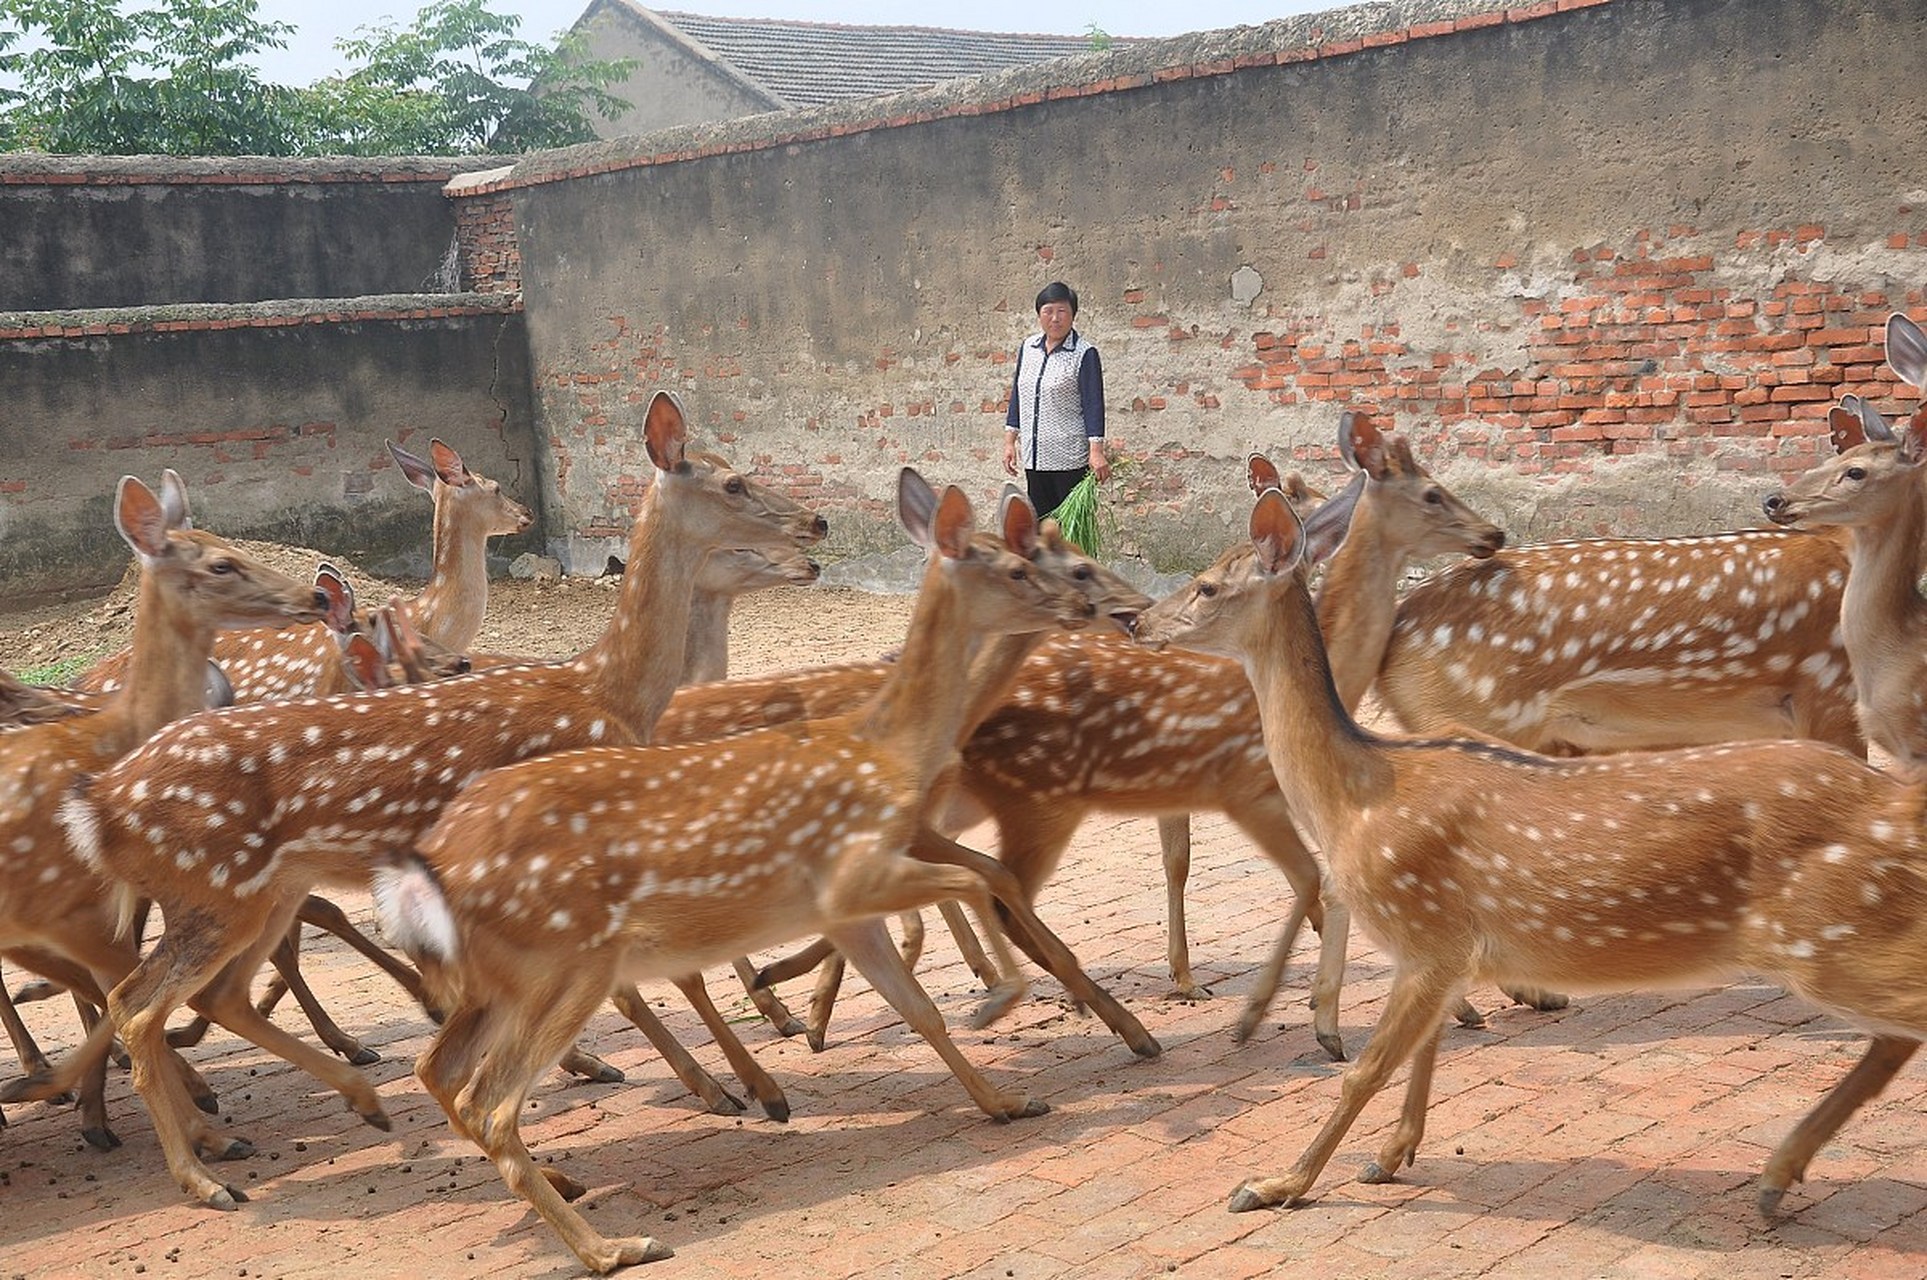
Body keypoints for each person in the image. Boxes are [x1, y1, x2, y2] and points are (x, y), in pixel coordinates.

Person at [1003, 281, 1109, 517]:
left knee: (1073, 530)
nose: (1055, 318)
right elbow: (1018, 395)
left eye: (1062, 311)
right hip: (1035, 458)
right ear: (1039, 315)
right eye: (1048, 311)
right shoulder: (1028, 348)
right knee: (1041, 529)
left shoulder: (1084, 353)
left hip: (1069, 458)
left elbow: (1094, 405)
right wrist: (1010, 441)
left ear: (1073, 315)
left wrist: (1096, 451)